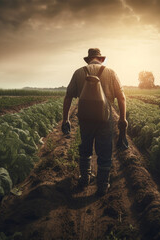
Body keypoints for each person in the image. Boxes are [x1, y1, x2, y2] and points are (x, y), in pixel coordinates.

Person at [62, 48, 127, 196]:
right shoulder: (110, 72)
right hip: (105, 118)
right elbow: (122, 97)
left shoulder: (79, 72)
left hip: (85, 118)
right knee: (104, 150)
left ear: (88, 59)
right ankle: (103, 185)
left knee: (85, 147)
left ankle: (85, 178)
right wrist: (122, 118)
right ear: (101, 59)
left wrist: (66, 118)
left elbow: (68, 97)